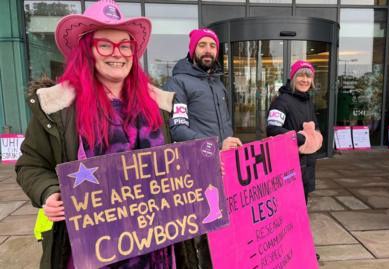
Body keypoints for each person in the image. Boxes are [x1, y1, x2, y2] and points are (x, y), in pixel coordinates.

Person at [16, 1, 176, 268]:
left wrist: (212, 159)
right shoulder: (58, 107)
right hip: (92, 250)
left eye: (125, 46)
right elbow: (30, 165)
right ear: (87, 51)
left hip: (154, 247)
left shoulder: (159, 105)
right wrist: (48, 192)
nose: (118, 54)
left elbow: (181, 161)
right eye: (105, 44)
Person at [164, 28, 242, 268]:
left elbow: (225, 123)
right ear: (193, 49)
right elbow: (177, 128)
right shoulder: (178, 82)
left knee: (225, 228)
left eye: (212, 46)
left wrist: (230, 142)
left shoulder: (218, 83)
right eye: (202, 45)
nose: (208, 50)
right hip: (196, 166)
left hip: (223, 166)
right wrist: (216, 144)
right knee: (202, 232)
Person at [266, 60, 323, 204]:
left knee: (302, 202)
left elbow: (315, 126)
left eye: (308, 76)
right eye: (300, 76)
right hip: (288, 163)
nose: (305, 80)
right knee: (289, 204)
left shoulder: (307, 101)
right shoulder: (281, 101)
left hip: (307, 162)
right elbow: (272, 129)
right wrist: (300, 139)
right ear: (293, 77)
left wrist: (316, 137)